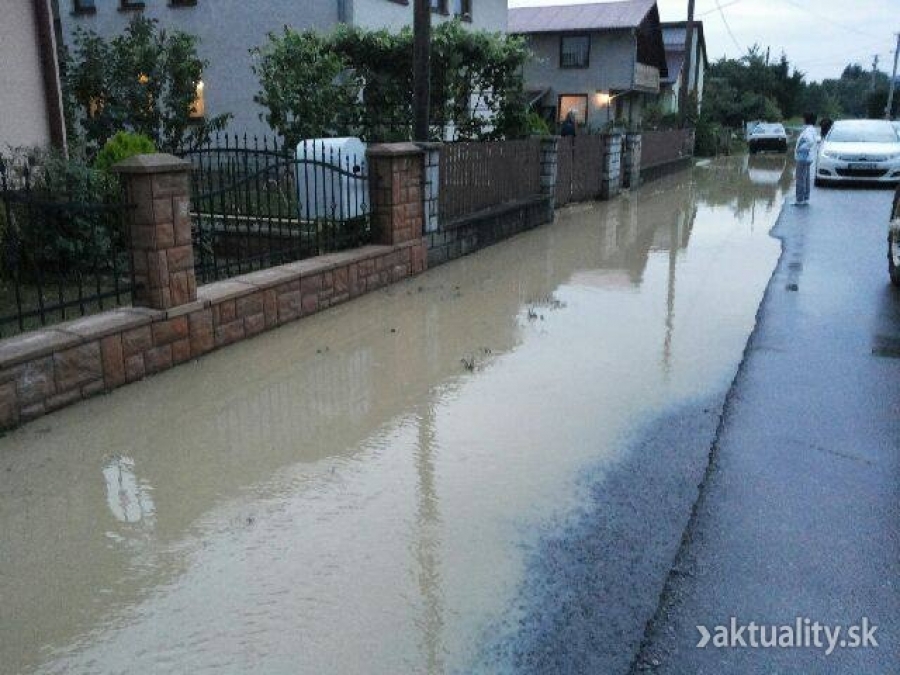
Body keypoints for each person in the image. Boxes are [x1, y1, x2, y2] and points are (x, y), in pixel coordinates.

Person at [794, 112, 818, 206]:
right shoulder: (812, 130)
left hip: (803, 158)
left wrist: (801, 149)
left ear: (805, 120)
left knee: (800, 178)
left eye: (803, 118)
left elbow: (810, 141)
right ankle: (805, 198)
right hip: (808, 157)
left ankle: (799, 200)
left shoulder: (808, 131)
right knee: (806, 178)